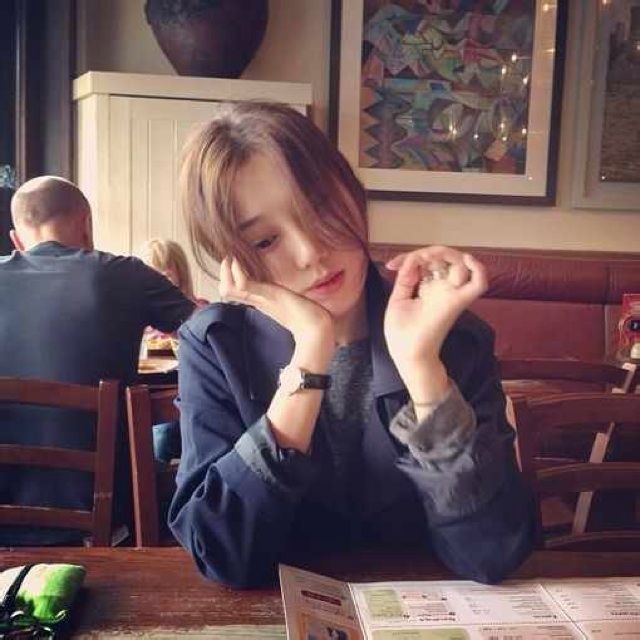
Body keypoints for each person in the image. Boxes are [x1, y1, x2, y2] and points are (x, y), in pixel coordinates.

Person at [169, 103, 535, 588]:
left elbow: (492, 553)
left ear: (352, 190)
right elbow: (223, 556)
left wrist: (421, 367)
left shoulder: (451, 336)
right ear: (232, 260)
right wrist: (310, 352)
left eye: (319, 207)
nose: (310, 252)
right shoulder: (215, 346)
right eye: (264, 242)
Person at [0, 176, 195, 545]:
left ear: (16, 239)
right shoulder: (125, 274)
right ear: (87, 224)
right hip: (107, 519)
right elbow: (207, 332)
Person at [136, 237, 208, 463]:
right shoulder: (140, 323)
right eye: (151, 277)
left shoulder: (199, 311)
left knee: (162, 435)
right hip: (146, 400)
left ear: (181, 277)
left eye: (165, 276)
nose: (158, 283)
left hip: (185, 402)